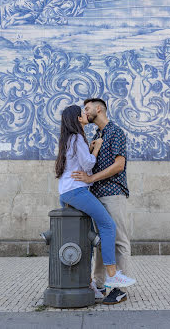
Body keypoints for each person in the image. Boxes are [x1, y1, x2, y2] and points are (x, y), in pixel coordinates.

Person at [55, 105, 136, 297]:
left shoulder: (69, 139)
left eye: (87, 109)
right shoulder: (78, 138)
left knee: (88, 238)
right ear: (77, 118)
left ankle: (88, 283)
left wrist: (90, 149)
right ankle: (113, 275)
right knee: (108, 226)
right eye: (82, 111)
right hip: (77, 191)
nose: (85, 112)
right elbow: (89, 165)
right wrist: (96, 149)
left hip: (67, 192)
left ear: (99, 109)